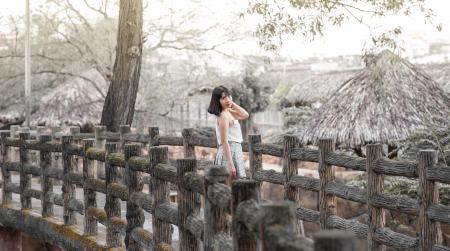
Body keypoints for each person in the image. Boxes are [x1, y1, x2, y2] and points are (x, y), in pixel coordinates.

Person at [207, 86, 249, 179]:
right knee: (227, 187)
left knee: (238, 187)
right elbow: (224, 141)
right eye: (223, 98)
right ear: (217, 101)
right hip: (228, 153)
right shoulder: (223, 116)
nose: (227, 100)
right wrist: (230, 163)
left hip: (236, 151)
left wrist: (232, 104)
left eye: (228, 96)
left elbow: (245, 115)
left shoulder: (228, 111)